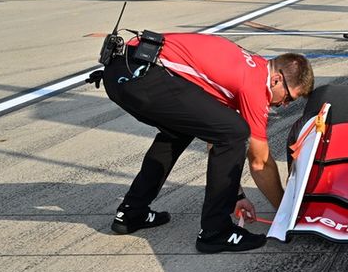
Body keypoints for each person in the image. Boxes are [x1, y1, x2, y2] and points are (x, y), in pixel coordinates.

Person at [101, 33, 314, 253]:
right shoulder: (254, 84)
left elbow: (215, 137)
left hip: (122, 68)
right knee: (236, 131)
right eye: (289, 97)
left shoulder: (249, 67)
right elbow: (260, 163)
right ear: (276, 79)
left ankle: (131, 212)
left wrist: (236, 196)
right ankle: (216, 232)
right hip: (143, 73)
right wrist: (286, 212)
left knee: (179, 132)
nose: (286, 105)